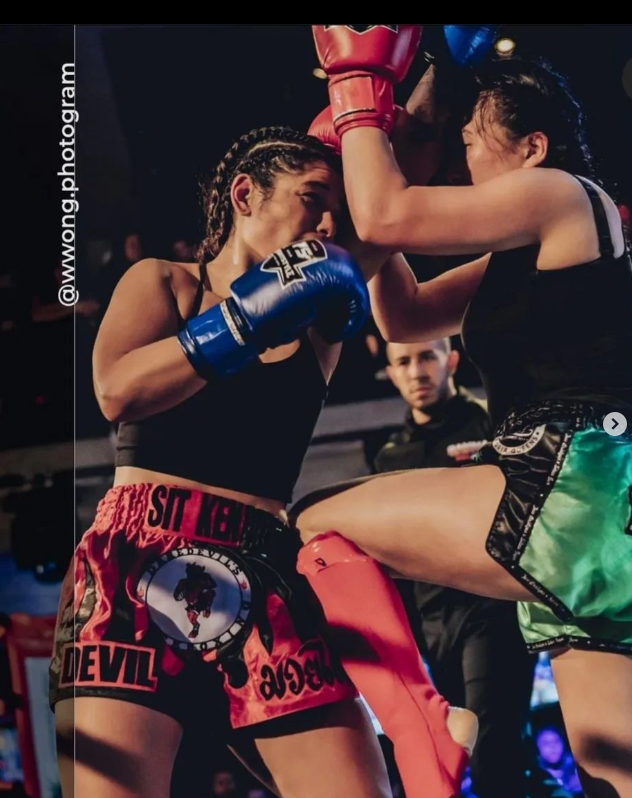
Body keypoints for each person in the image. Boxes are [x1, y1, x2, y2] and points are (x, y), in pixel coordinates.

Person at [291, 25, 632, 798]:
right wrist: (368, 179)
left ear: (533, 146)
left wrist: (358, 99)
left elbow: (388, 217)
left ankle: (427, 731)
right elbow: (403, 317)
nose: (461, 158)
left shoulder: (563, 196)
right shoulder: (538, 244)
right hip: (597, 512)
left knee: (319, 522)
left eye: (473, 140)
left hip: (575, 485)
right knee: (614, 773)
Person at [49, 125, 395, 798]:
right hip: (135, 556)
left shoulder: (320, 315)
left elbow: (402, 175)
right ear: (245, 194)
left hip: (261, 565)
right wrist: (240, 322)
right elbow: (117, 391)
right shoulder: (164, 283)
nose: (328, 222)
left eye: (336, 210)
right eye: (311, 197)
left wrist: (412, 73)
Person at [373, 338, 537, 798]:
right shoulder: (389, 457)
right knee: (489, 757)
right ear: (391, 371)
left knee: (492, 758)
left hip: (494, 607)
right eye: (403, 362)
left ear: (451, 360)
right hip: (431, 626)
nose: (416, 371)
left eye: (426, 356)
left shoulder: (491, 420)